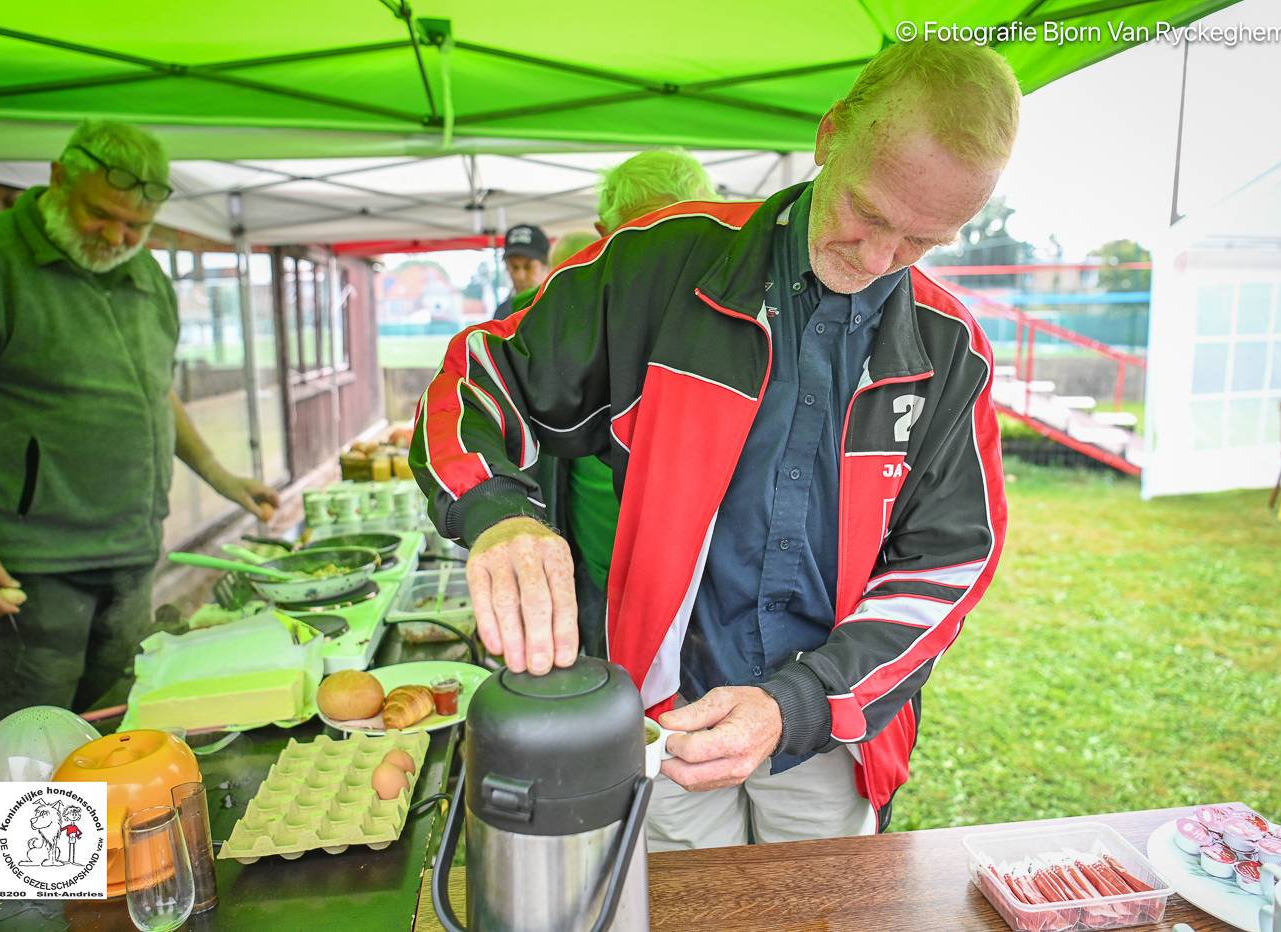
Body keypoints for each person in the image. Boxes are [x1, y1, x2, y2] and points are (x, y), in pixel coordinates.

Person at [410, 39, 1018, 849]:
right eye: (867, 214)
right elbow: (474, 382)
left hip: (830, 729)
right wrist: (499, 516)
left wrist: (799, 704)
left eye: (921, 243)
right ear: (830, 136)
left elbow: (944, 567)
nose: (878, 260)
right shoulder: (662, 262)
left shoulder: (950, 350)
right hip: (665, 706)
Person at [0, 120, 280, 732]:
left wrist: (217, 474)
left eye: (137, 226)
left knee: (120, 720)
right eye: (99, 214)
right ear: (58, 179)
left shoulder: (144, 277)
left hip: (131, 555)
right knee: (33, 743)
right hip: (29, 571)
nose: (116, 236)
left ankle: (105, 833)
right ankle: (27, 836)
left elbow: (150, 389)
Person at [538, 150, 719, 658]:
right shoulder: (577, 320)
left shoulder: (744, 313)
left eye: (681, 232)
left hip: (710, 587)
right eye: (641, 237)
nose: (662, 255)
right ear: (605, 235)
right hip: (597, 569)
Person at [491, 223, 550, 320]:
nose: (519, 276)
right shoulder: (503, 313)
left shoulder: (562, 308)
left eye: (528, 267)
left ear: (546, 266)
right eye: (514, 267)